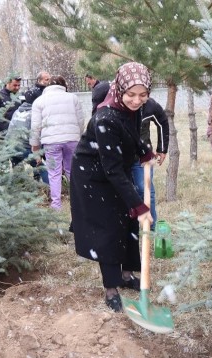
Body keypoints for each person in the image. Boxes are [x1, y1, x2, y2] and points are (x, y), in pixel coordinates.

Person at [70, 62, 155, 312]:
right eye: (131, 95)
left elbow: (131, 134)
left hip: (115, 168)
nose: (136, 100)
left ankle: (127, 276)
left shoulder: (134, 108)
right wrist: (139, 205)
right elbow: (112, 170)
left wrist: (143, 151)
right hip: (93, 176)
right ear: (119, 89)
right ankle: (111, 289)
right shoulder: (105, 118)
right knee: (107, 230)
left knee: (127, 223)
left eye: (142, 95)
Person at [29, 75, 84, 209]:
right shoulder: (73, 98)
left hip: (51, 142)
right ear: (64, 86)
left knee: (54, 173)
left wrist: (35, 146)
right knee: (73, 171)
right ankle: (78, 202)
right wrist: (79, 135)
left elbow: (35, 127)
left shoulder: (39, 101)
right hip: (72, 140)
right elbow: (81, 121)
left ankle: (56, 205)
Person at [132, 97, 169, 224]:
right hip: (121, 158)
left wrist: (162, 149)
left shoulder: (149, 106)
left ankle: (151, 229)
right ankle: (130, 229)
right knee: (129, 192)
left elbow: (162, 121)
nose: (137, 99)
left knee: (145, 190)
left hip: (142, 157)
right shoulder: (116, 102)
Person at [7, 89, 48, 183]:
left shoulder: (17, 111)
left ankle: (14, 186)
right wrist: (39, 154)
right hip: (25, 148)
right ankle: (49, 189)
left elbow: (10, 131)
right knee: (42, 166)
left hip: (12, 147)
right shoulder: (35, 114)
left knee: (16, 169)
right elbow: (37, 135)